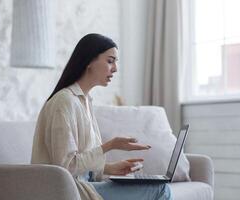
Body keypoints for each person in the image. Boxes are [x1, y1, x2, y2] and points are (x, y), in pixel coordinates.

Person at [31, 33, 173, 200]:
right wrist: (110, 145)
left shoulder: (84, 101)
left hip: (84, 185)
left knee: (157, 187)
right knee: (161, 190)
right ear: (90, 61)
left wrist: (109, 168)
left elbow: (79, 163)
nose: (115, 68)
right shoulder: (64, 102)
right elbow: (66, 167)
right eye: (110, 61)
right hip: (70, 192)